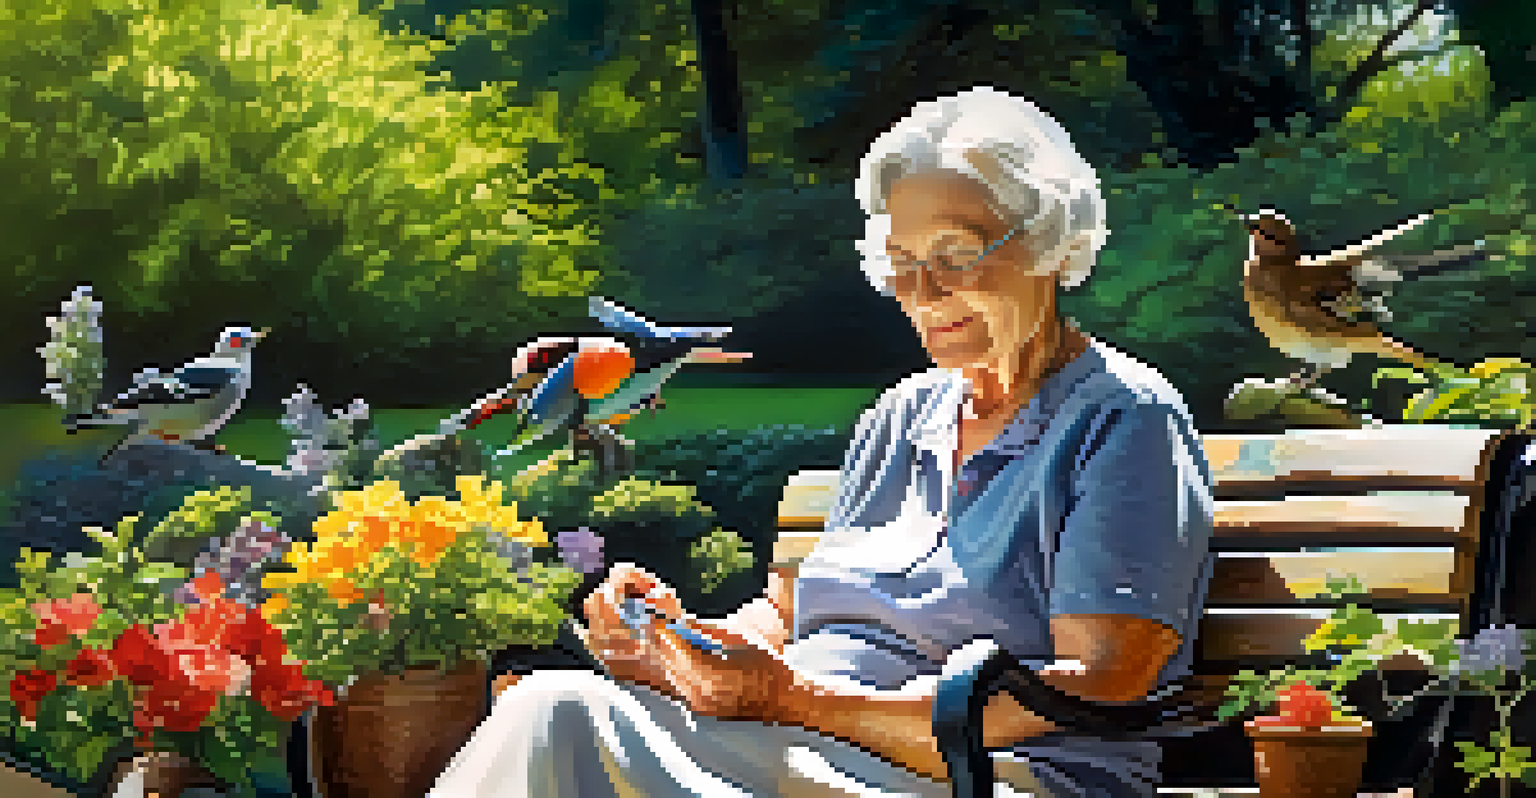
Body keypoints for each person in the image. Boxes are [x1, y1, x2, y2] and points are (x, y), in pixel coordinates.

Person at [429, 85, 1216, 798]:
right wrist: (675, 643)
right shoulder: (904, 415)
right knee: (553, 702)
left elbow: (1105, 677)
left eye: (954, 256)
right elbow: (789, 616)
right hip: (803, 744)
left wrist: (793, 700)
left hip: (974, 772)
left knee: (559, 716)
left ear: (1049, 242)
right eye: (902, 265)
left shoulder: (1124, 420)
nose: (922, 296)